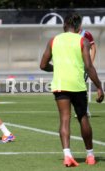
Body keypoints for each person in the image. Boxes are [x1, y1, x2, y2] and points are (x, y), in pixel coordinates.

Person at [40, 13, 104, 167]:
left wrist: (56, 68)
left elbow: (43, 65)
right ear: (79, 27)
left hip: (60, 84)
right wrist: (100, 87)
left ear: (64, 26)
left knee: (64, 119)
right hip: (77, 85)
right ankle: (90, 156)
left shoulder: (53, 40)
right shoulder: (83, 40)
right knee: (83, 118)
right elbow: (89, 67)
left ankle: (67, 155)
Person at [76, 20, 97, 117]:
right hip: (74, 65)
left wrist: (90, 62)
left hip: (84, 65)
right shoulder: (70, 35)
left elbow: (93, 48)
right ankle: (81, 110)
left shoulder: (86, 34)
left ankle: (84, 110)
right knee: (76, 87)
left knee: (81, 86)